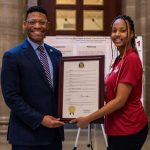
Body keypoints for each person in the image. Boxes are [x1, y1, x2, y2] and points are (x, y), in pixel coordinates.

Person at [71, 15, 149, 150]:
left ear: (131, 34)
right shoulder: (119, 59)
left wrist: (88, 118)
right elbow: (109, 92)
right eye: (114, 30)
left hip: (129, 127)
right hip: (116, 126)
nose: (117, 34)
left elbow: (120, 101)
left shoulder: (131, 59)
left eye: (122, 30)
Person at [1, 6, 65, 150]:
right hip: (27, 136)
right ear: (24, 25)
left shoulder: (56, 54)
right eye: (32, 22)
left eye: (42, 22)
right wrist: (40, 119)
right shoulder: (13, 56)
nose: (37, 26)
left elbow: (61, 89)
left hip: (53, 135)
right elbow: (11, 97)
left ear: (48, 25)